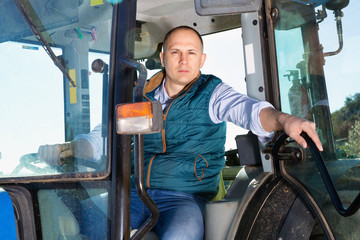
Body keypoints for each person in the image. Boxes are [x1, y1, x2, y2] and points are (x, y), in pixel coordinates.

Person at [38, 26, 323, 240]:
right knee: (66, 222)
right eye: (175, 52)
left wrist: (284, 120)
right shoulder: (142, 95)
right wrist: (71, 149)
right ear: (163, 56)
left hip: (184, 198)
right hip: (136, 194)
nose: (183, 60)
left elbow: (249, 111)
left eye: (191, 53)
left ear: (202, 59)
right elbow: (103, 138)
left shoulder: (212, 93)